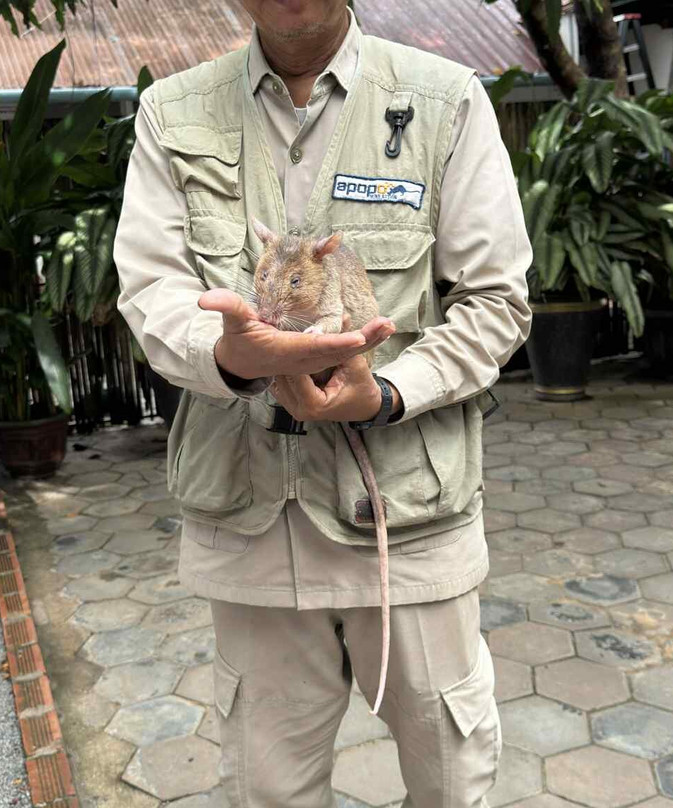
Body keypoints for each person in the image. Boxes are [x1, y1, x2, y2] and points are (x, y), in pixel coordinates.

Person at [114, 0, 531, 803]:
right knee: (271, 791)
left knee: (452, 783)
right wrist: (225, 354)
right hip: (252, 534)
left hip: (408, 531)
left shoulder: (445, 101)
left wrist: (392, 391)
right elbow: (151, 290)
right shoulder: (172, 112)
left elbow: (495, 299)